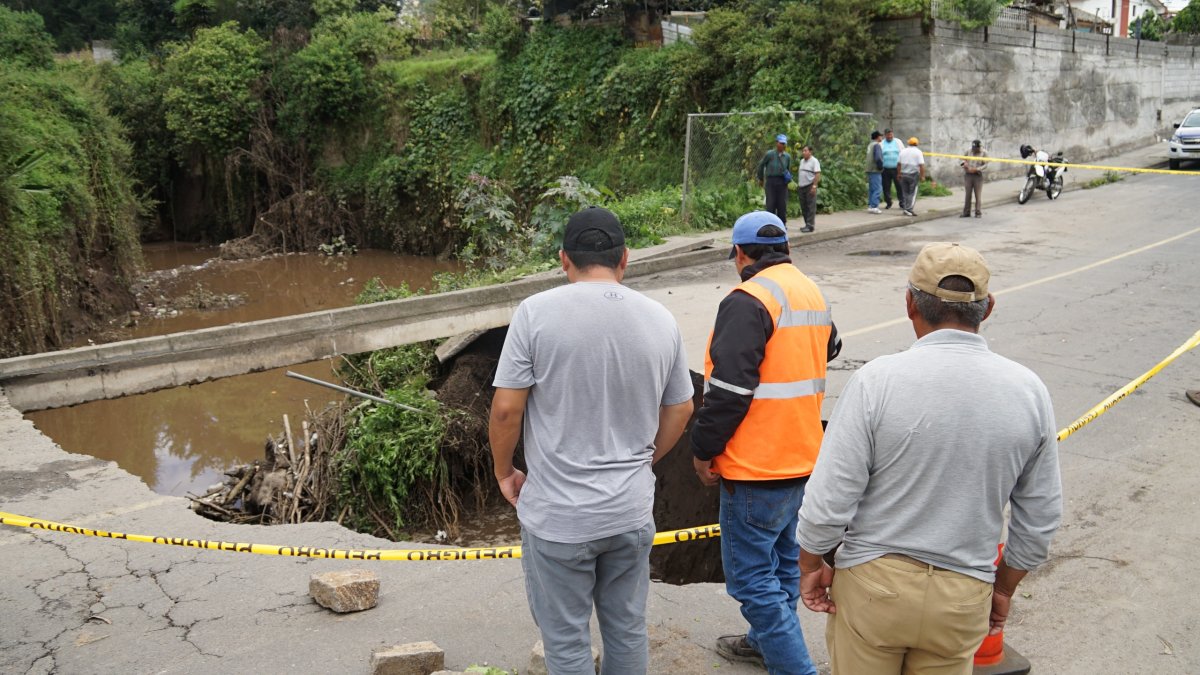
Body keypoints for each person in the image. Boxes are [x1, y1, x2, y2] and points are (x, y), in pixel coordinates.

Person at [796, 242, 1063, 675]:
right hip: (963, 596)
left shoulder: (876, 382)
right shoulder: (1028, 391)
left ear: (909, 304)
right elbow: (1041, 515)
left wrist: (811, 563)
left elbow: (830, 498)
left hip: (873, 589)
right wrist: (1005, 587)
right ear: (988, 308)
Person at [489, 207, 695, 675]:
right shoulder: (660, 319)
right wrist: (642, 460)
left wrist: (505, 471)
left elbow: (506, 409)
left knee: (565, 640)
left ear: (564, 260)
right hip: (628, 511)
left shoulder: (534, 314)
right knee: (626, 629)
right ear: (625, 259)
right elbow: (681, 408)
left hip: (559, 517)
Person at [691, 210, 841, 675]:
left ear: (740, 253)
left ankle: (796, 669)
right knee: (780, 565)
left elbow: (730, 391)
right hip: (802, 456)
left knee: (753, 581)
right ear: (787, 249)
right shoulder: (809, 291)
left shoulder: (747, 299)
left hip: (755, 466)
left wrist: (702, 450)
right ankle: (763, 643)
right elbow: (831, 347)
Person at [756, 134, 793, 224]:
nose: (783, 145)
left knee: (782, 204)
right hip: (771, 181)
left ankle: (782, 224)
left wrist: (787, 180)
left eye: (784, 144)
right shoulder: (770, 154)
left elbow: (788, 169)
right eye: (781, 143)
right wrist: (761, 178)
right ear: (777, 143)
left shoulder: (787, 157)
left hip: (782, 182)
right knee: (771, 203)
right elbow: (761, 165)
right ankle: (770, 223)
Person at [795, 145, 821, 233]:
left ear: (810, 152)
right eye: (803, 151)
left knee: (810, 206)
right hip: (801, 186)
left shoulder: (814, 161)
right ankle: (807, 224)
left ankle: (810, 225)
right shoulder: (802, 161)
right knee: (804, 206)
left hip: (809, 185)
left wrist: (814, 186)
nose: (803, 152)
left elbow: (817, 174)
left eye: (805, 151)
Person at [897, 137, 925, 216]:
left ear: (908, 143)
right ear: (917, 144)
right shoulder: (918, 152)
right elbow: (921, 165)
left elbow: (898, 164)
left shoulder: (903, 151)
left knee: (905, 192)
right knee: (912, 193)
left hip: (903, 174)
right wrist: (922, 176)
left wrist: (898, 174)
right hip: (913, 174)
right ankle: (909, 209)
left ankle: (905, 208)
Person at [960, 139, 988, 218]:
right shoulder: (968, 151)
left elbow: (986, 165)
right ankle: (966, 212)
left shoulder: (984, 153)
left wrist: (977, 169)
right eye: (973, 148)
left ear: (979, 147)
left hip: (977, 175)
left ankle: (978, 212)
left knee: (977, 195)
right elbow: (962, 159)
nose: (974, 150)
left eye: (976, 149)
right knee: (968, 194)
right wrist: (964, 164)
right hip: (968, 174)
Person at [879, 128, 903, 210]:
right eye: (888, 135)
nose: (890, 136)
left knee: (899, 185)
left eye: (891, 134)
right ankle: (888, 202)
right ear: (885, 135)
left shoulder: (898, 142)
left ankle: (902, 202)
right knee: (886, 186)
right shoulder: (881, 143)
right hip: (885, 169)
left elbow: (902, 153)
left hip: (897, 169)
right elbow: (879, 156)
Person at [866, 131, 884, 214]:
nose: (881, 137)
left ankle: (870, 205)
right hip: (875, 169)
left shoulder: (870, 145)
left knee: (872, 189)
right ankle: (874, 206)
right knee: (877, 188)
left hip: (869, 169)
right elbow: (878, 158)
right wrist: (881, 167)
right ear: (878, 137)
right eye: (881, 136)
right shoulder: (877, 145)